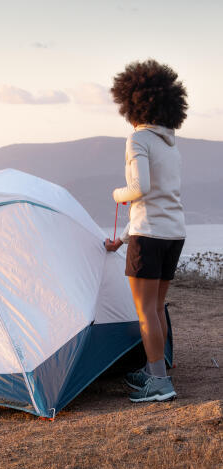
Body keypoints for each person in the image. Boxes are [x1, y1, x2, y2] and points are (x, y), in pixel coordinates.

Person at [104, 60, 188, 403]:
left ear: (131, 103)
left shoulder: (138, 138)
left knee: (145, 312)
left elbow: (139, 189)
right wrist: (122, 239)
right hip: (173, 233)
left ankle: (159, 383)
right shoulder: (170, 144)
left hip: (149, 237)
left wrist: (116, 194)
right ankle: (156, 370)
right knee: (157, 308)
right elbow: (158, 198)